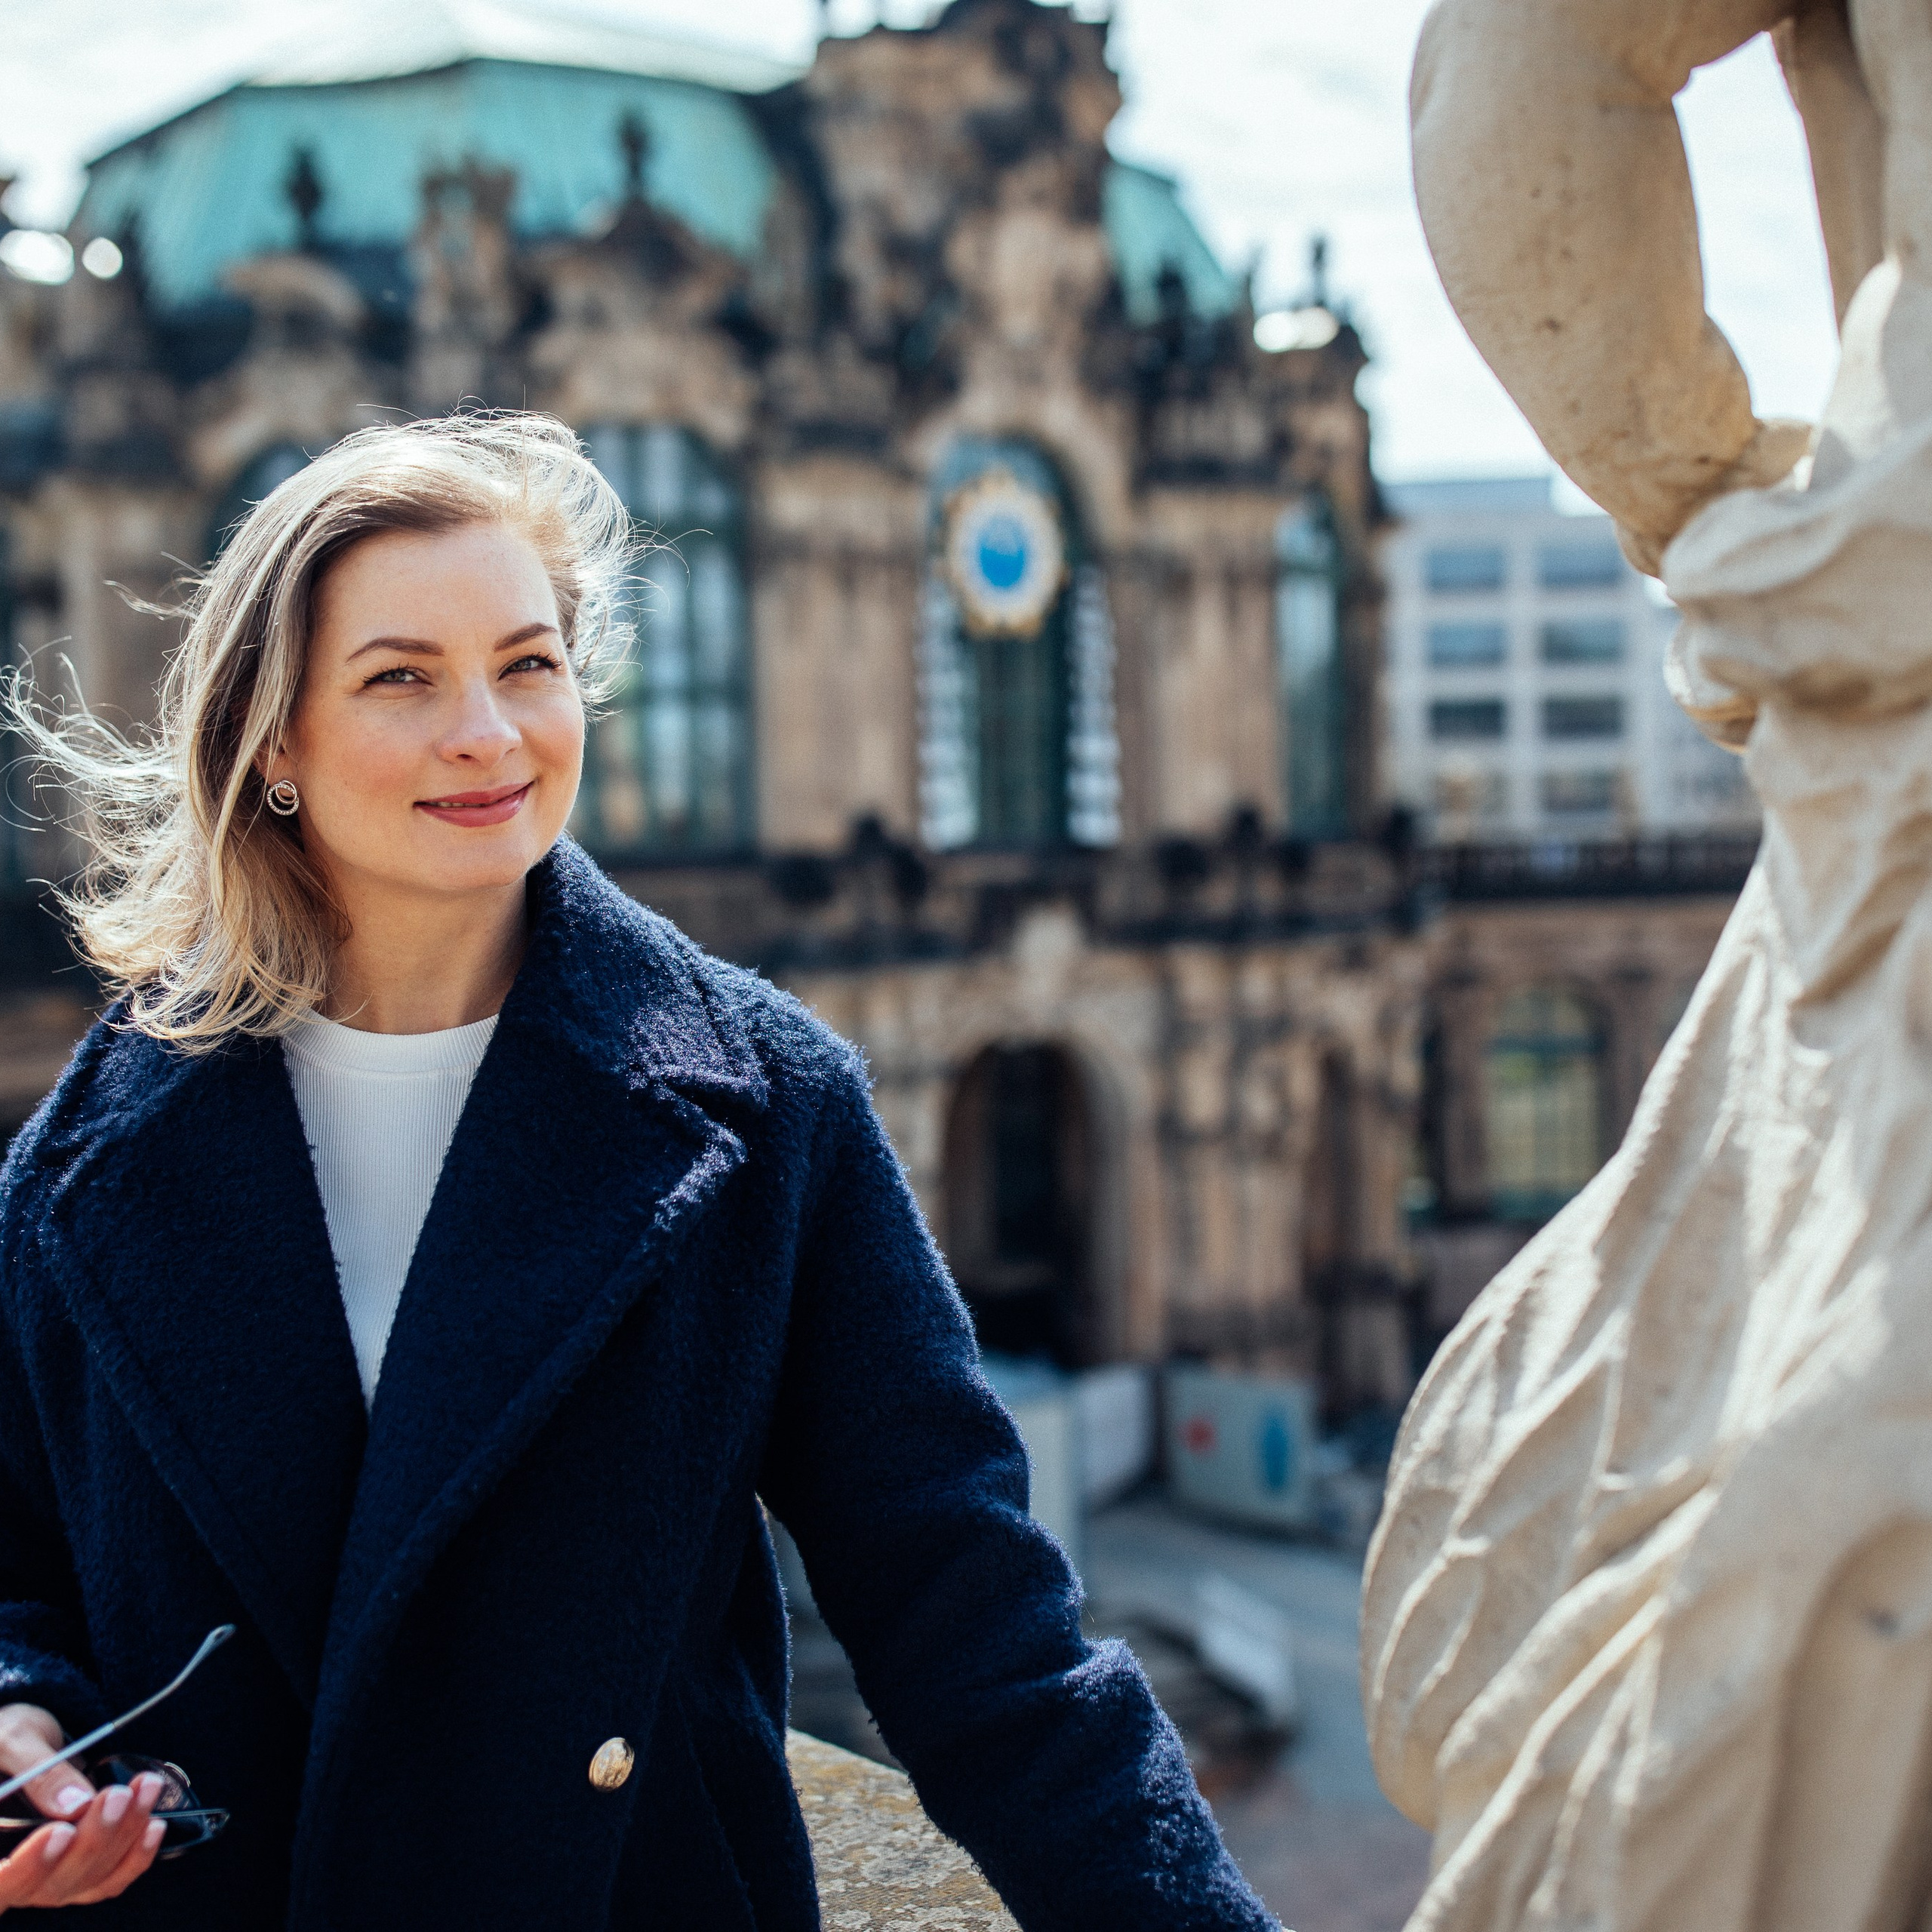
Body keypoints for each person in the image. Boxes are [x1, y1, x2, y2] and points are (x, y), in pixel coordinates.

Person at [0, 414, 1275, 1927]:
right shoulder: (87, 1158)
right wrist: (22, 1720)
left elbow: (972, 1614)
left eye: (529, 663)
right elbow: (19, 1552)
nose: (490, 731)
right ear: (271, 738)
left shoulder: (761, 1104)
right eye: (400, 676)